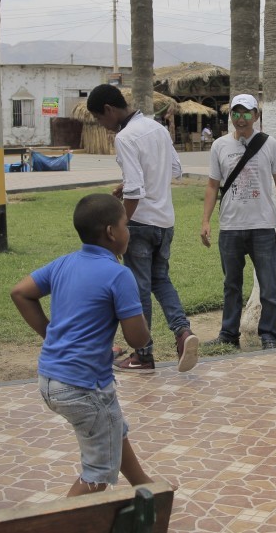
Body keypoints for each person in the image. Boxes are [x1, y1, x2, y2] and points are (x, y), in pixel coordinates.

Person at [11, 194, 154, 496]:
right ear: (112, 232)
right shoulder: (119, 274)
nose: (128, 230)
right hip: (82, 386)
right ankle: (64, 522)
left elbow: (20, 292)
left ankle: (145, 486)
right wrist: (137, 309)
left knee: (113, 425)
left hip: (51, 378)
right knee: (99, 472)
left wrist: (50, 334)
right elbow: (137, 339)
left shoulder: (65, 263)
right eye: (126, 224)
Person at [86, 84, 198, 373]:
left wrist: (119, 229)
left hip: (140, 225)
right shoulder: (156, 127)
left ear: (109, 110)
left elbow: (136, 191)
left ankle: (143, 355)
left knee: (138, 291)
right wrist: (129, 185)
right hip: (165, 222)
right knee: (161, 280)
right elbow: (173, 169)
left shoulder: (125, 137)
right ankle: (183, 332)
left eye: (100, 119)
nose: (104, 126)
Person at [200, 94, 276, 350]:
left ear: (256, 116)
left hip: (262, 226)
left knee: (268, 284)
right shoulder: (219, 145)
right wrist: (205, 221)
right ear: (231, 116)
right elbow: (211, 186)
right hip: (230, 227)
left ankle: (269, 335)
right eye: (236, 113)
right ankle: (229, 334)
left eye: (246, 113)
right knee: (231, 284)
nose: (241, 118)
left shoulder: (270, 144)